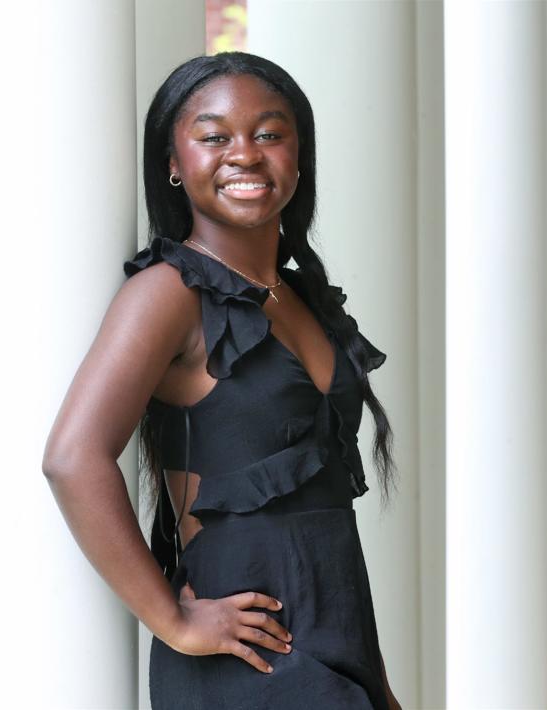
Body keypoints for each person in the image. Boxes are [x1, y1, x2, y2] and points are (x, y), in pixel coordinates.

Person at [41, 51, 401, 709]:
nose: (246, 154)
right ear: (174, 163)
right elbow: (72, 459)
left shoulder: (304, 299)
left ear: (298, 155)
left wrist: (377, 684)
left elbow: (326, 517)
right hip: (249, 658)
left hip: (336, 639)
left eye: (269, 133)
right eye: (214, 136)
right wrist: (173, 621)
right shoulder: (167, 294)